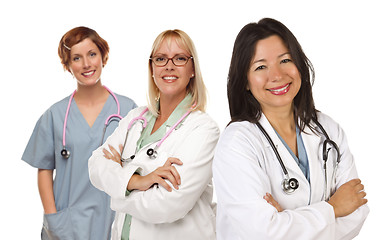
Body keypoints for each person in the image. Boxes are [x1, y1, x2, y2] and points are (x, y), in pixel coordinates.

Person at [213, 18, 369, 240]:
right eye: (260, 66)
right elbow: (262, 233)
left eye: (285, 60)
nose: (277, 75)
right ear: (245, 81)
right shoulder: (237, 142)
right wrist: (332, 208)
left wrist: (287, 220)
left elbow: (356, 212)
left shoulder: (328, 130)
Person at [88, 29, 220, 240]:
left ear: (192, 69)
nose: (169, 66)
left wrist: (117, 188)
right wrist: (138, 181)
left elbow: (167, 205)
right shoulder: (135, 118)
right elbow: (95, 165)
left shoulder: (203, 129)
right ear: (151, 68)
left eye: (179, 58)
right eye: (160, 59)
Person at [22, 26, 137, 239]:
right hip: (68, 224)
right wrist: (52, 217)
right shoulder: (55, 115)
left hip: (113, 218)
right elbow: (44, 169)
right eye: (76, 58)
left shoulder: (128, 110)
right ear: (67, 66)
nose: (86, 64)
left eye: (92, 54)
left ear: (104, 56)